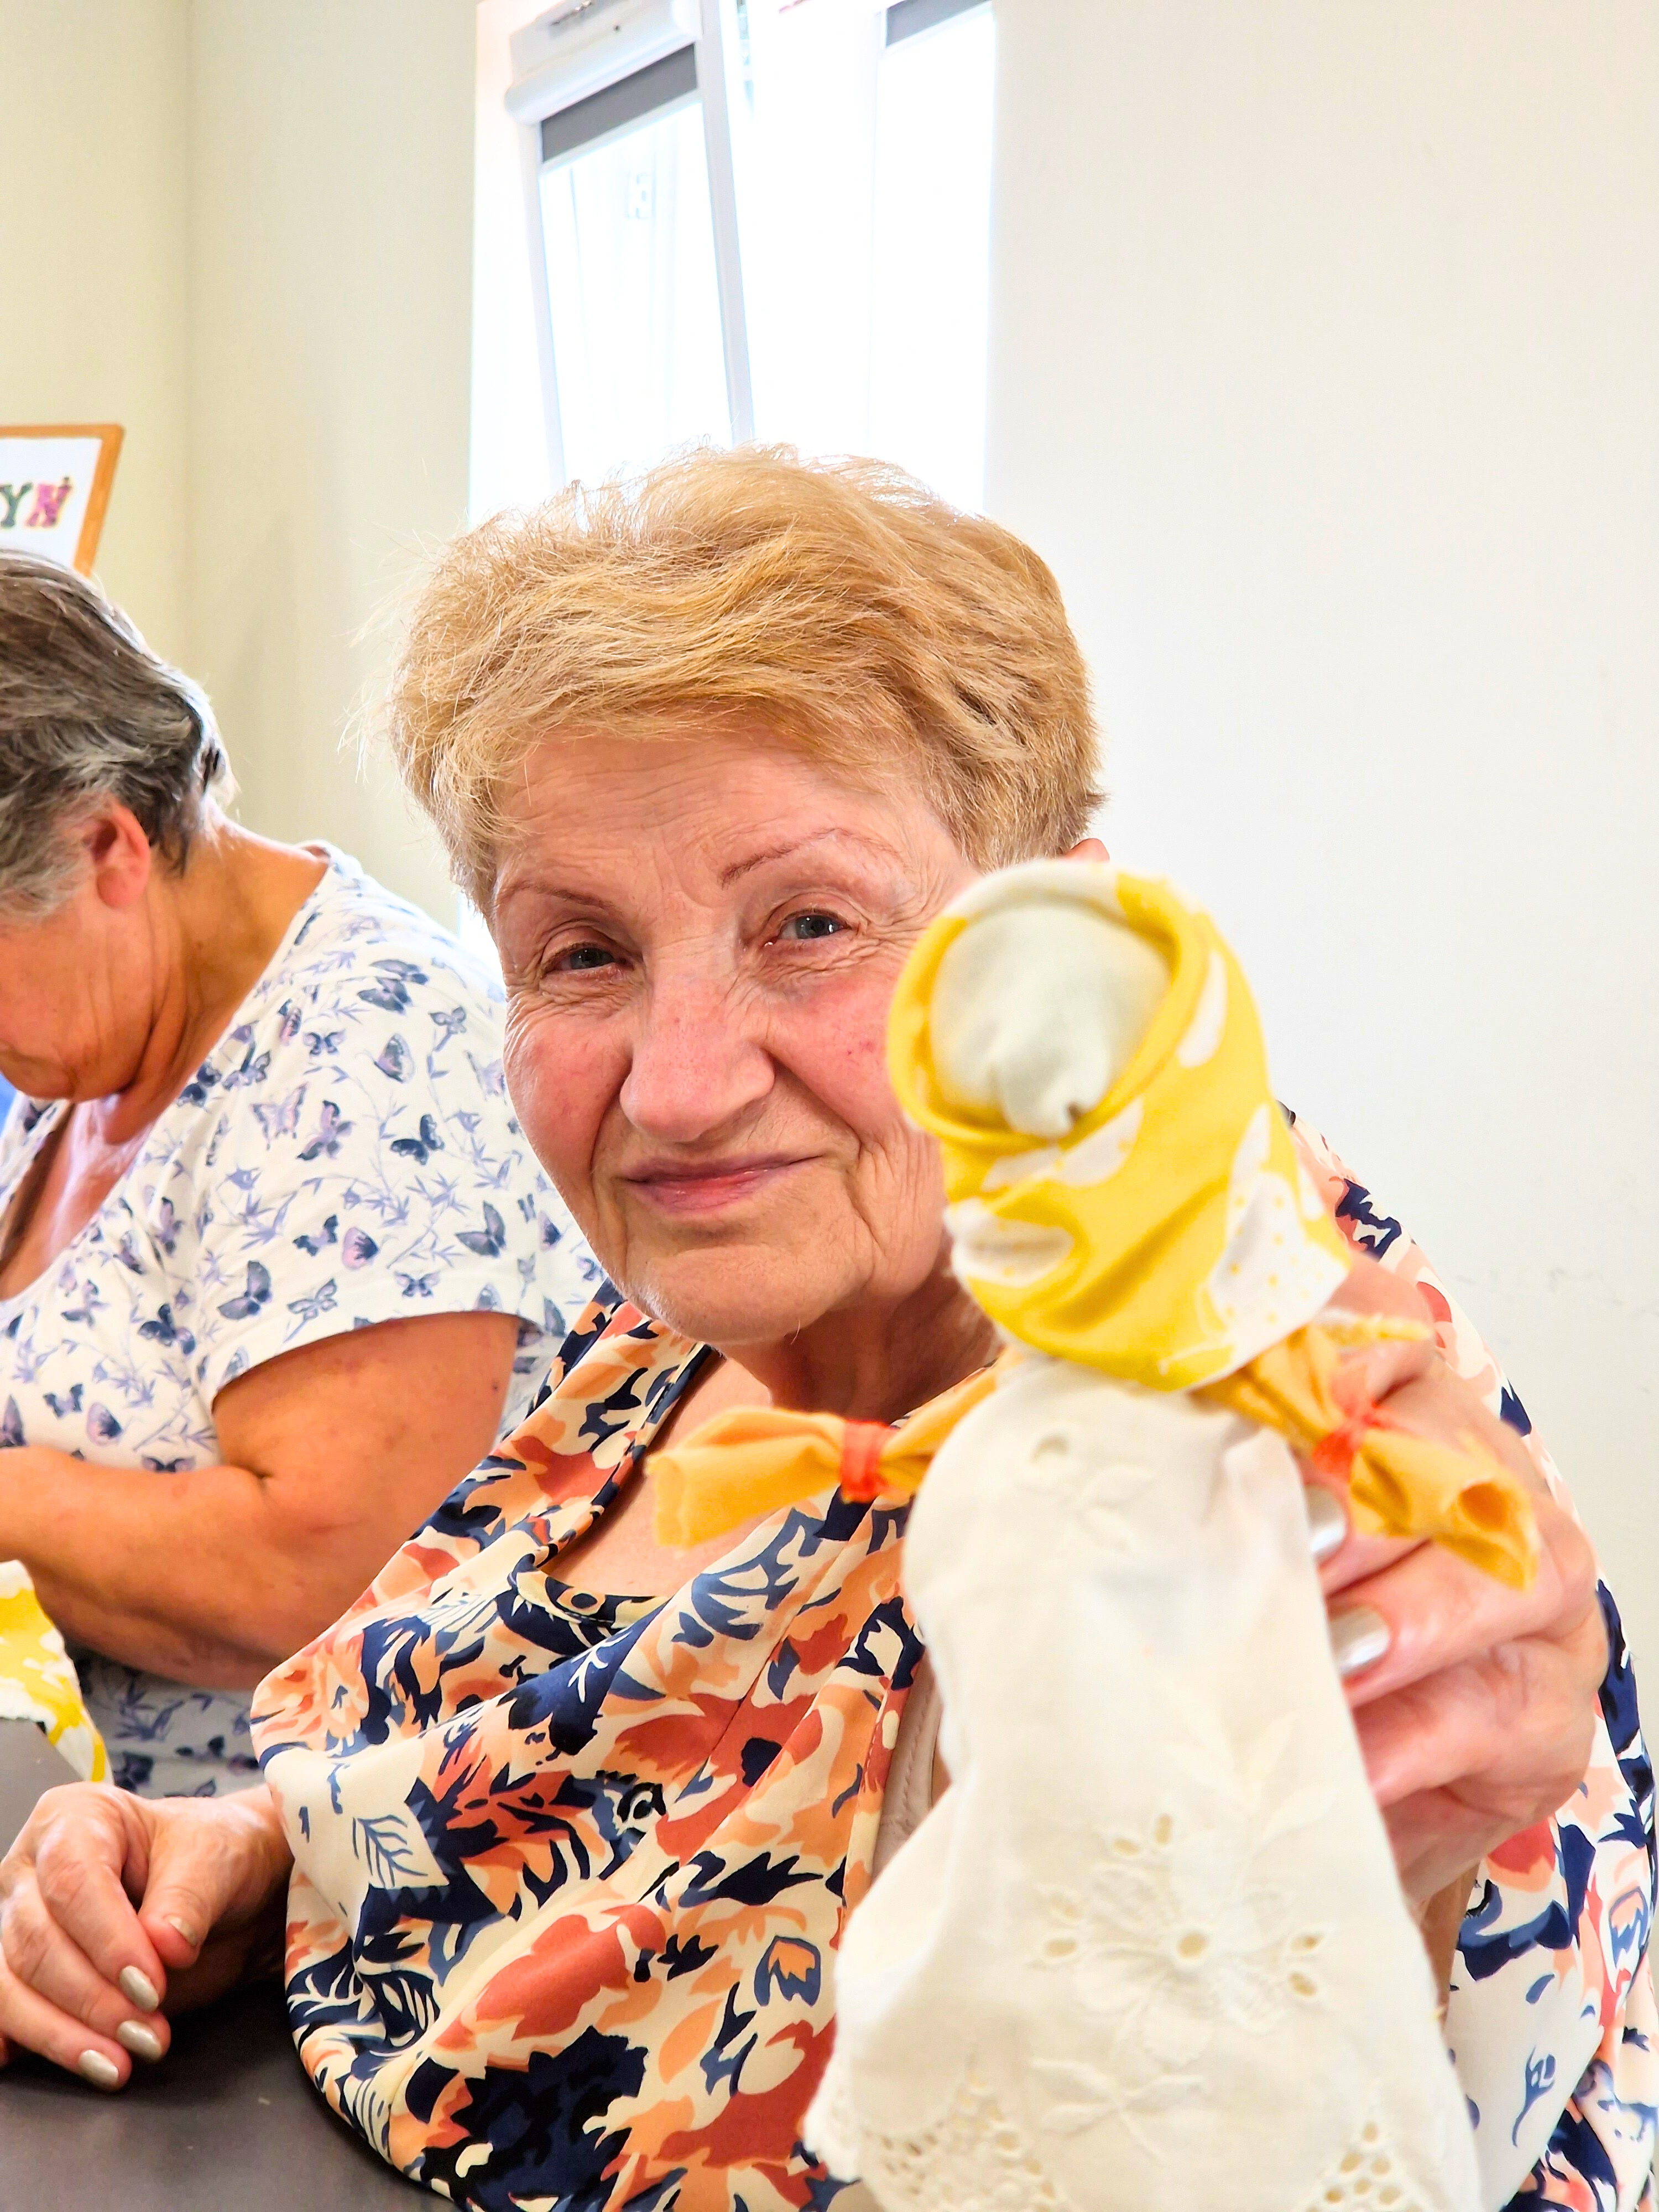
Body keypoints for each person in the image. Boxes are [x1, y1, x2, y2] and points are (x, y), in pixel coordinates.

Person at [0, 455, 1648, 2209]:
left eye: (810, 926)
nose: (683, 1086)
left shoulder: (1222, 1414)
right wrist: (259, 1853)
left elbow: (1342, 2037)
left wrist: (1396, 1862)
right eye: (579, 954)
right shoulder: (694, 1323)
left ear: (1057, 938)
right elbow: (523, 1762)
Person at [0, 552, 598, 1796]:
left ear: (108, 843)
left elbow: (325, 1572)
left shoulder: (367, 1049)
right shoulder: (91, 1052)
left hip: (279, 1879)